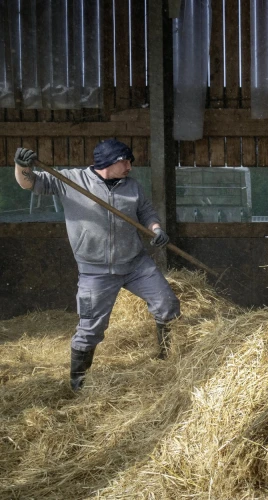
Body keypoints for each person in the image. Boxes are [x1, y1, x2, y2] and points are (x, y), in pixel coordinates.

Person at [13, 140, 181, 391]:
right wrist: (21, 166)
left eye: (129, 161)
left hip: (135, 263)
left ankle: (167, 357)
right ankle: (78, 383)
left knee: (167, 305)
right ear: (108, 163)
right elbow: (30, 182)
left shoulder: (132, 186)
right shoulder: (71, 180)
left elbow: (146, 212)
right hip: (96, 271)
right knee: (90, 329)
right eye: (124, 161)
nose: (129, 167)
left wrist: (156, 229)